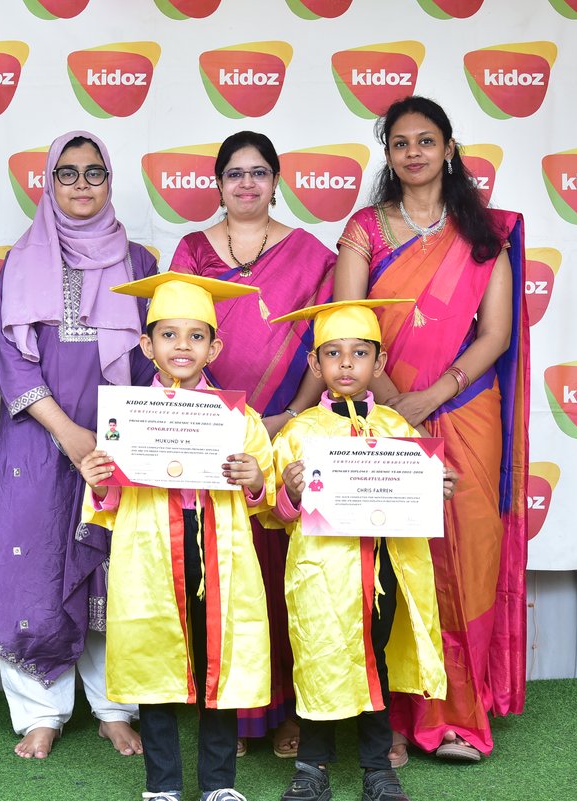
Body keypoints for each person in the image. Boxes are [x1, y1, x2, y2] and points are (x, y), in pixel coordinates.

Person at [333, 95, 529, 763]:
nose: (412, 152)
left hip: (467, 406)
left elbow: (496, 334)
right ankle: (386, 716)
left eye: (425, 140)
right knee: (389, 556)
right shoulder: (366, 229)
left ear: (449, 148)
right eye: (399, 143)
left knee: (468, 550)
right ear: (387, 156)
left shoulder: (483, 234)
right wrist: (394, 402)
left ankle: (456, 716)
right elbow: (348, 323)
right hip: (381, 411)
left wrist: (434, 394)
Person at [0, 131, 154, 760]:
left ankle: (113, 708)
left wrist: (107, 440)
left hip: (117, 439)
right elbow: (11, 363)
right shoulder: (20, 262)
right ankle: (41, 712)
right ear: (49, 184)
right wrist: (71, 435)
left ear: (111, 182)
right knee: (32, 560)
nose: (82, 185)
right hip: (38, 437)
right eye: (68, 174)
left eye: (95, 173)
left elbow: (153, 359)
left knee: (111, 564)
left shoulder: (139, 261)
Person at [171, 130, 337, 758]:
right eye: (235, 173)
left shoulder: (308, 253)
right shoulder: (191, 249)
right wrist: (229, 422)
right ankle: (234, 716)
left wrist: (287, 415)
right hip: (213, 433)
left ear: (276, 181)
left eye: (259, 172)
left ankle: (292, 712)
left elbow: (323, 342)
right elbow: (181, 339)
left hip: (287, 427)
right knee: (224, 572)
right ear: (218, 183)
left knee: (287, 576)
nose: (247, 184)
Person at [78, 272, 274, 801]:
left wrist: (255, 480)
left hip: (219, 548)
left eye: (195, 335)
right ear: (147, 345)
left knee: (221, 661)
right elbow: (107, 502)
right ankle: (162, 786)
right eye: (168, 335)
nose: (182, 346)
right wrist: (99, 481)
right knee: (153, 662)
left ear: (215, 346)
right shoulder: (125, 418)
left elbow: (267, 497)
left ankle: (218, 785)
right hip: (150, 549)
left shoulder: (241, 418)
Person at [263, 299, 449, 801]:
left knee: (376, 659)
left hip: (385, 569)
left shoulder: (398, 429)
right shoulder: (299, 433)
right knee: (318, 656)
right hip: (321, 573)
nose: (346, 364)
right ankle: (311, 768)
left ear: (379, 363)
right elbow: (271, 513)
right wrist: (291, 494)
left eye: (360, 353)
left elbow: (418, 501)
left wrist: (434, 488)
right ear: (314, 364)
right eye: (333, 353)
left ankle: (377, 769)